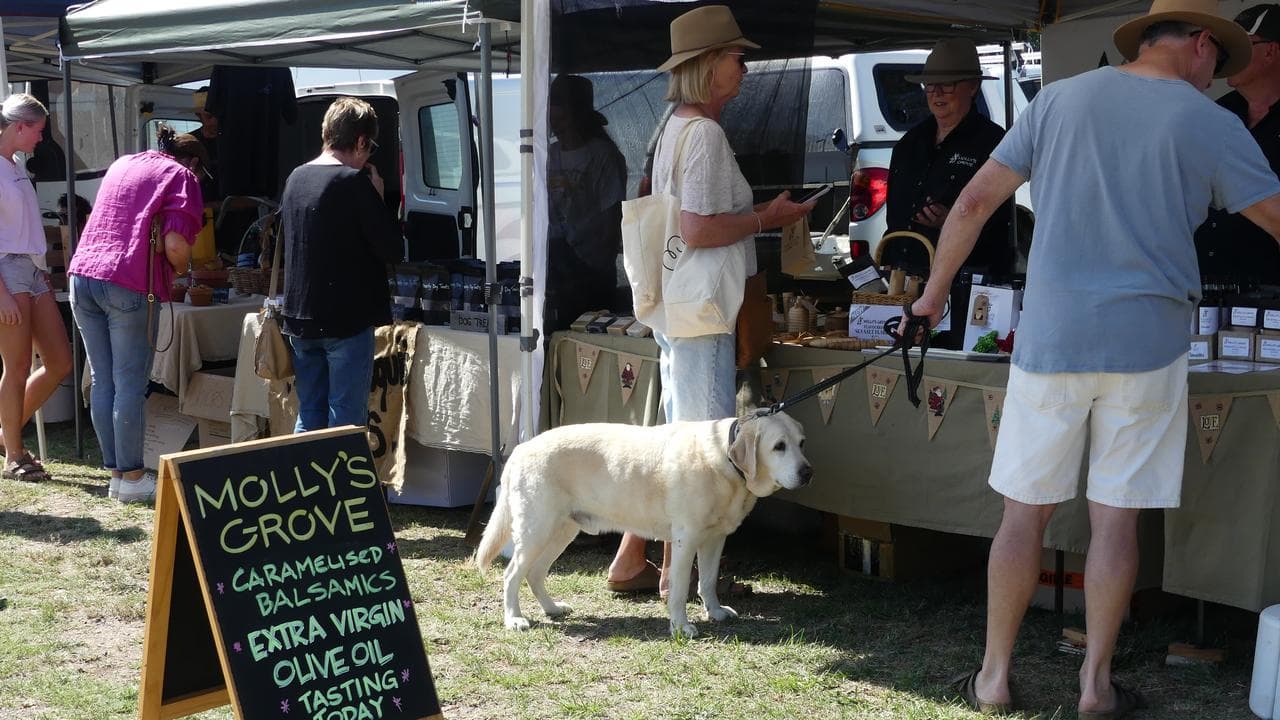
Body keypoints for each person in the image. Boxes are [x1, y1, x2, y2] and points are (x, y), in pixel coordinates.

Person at [907, 1, 1280, 716]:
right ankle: (1095, 688)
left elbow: (976, 200)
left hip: (1052, 339)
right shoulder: (1208, 122)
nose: (1217, 78)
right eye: (1218, 62)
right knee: (1115, 522)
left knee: (1023, 517)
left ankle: (993, 679)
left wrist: (932, 294)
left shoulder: (1060, 99)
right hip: (1149, 345)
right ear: (1200, 44)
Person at [607, 5, 814, 599]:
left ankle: (637, 560)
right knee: (700, 445)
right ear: (707, 66)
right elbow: (697, 229)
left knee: (680, 435)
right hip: (700, 308)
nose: (744, 66)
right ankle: (678, 572)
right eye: (734, 56)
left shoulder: (676, 126)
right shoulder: (704, 134)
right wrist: (766, 218)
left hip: (682, 304)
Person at [69, 124, 206, 503]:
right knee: (129, 383)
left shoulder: (123, 163)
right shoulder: (182, 176)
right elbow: (175, 245)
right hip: (128, 281)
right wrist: (179, 270)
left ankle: (117, 473)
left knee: (103, 380)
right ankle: (131, 477)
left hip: (83, 275)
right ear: (193, 162)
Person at [279, 97, 400, 432]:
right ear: (361, 141)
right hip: (345, 319)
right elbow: (392, 248)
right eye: (370, 146)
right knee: (346, 422)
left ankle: (307, 484)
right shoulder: (353, 182)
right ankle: (341, 486)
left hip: (301, 317)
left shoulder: (296, 178)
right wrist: (377, 197)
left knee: (310, 413)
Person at [886, 38, 1012, 280]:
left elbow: (1000, 221)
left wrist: (953, 221)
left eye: (948, 85)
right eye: (930, 85)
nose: (937, 93)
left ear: (973, 86)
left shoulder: (994, 142)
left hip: (965, 278)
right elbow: (895, 216)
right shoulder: (909, 143)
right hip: (905, 276)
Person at [0, 94, 72, 484]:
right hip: (6, 271)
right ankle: (13, 452)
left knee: (60, 361)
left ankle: (7, 436)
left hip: (32, 270)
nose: (42, 139)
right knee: (17, 367)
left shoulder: (16, 168)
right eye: (39, 131)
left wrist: (42, 270)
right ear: (20, 126)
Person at [1195, 3, 1280, 286]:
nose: (1227, 55)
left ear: (1272, 50)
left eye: (1243, 44)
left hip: (1269, 293)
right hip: (1204, 290)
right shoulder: (1217, 113)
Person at [545, 74, 628, 330]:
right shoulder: (548, 155)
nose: (557, 127)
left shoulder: (603, 156)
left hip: (592, 268)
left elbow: (612, 215)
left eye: (563, 119)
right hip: (557, 264)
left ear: (579, 116)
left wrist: (596, 263)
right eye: (552, 120)